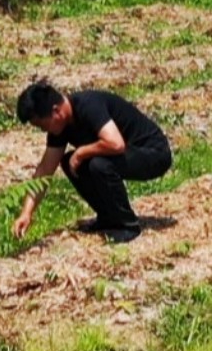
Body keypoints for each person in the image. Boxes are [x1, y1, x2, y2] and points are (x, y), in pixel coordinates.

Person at [10, 81, 172, 243]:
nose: (44, 131)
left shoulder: (88, 105)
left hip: (154, 154)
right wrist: (26, 213)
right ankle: (108, 217)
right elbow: (44, 170)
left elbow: (116, 143)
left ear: (56, 111)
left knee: (98, 164)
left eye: (42, 125)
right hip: (126, 156)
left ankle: (127, 225)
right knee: (68, 162)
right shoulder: (60, 126)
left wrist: (81, 152)